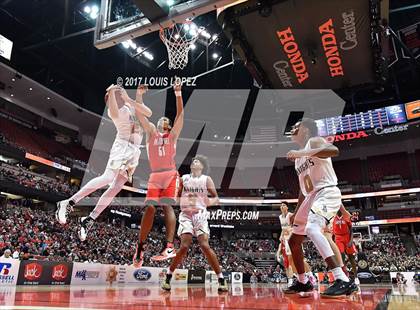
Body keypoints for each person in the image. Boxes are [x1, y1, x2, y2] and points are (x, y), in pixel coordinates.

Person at [56, 85, 152, 241]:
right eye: (114, 96)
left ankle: (89, 219)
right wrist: (112, 91)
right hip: (122, 146)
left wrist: (137, 95)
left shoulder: (129, 105)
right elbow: (114, 103)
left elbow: (147, 112)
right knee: (108, 177)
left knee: (116, 188)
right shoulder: (114, 112)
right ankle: (69, 202)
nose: (118, 96)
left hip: (134, 152)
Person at [285, 118, 358, 298]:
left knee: (312, 228)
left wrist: (303, 152)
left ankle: (342, 279)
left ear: (307, 131)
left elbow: (334, 150)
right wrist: (297, 210)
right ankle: (303, 282)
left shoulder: (314, 141)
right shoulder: (297, 160)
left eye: (297, 126)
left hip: (326, 192)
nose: (293, 128)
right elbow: (304, 189)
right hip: (310, 197)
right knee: (293, 242)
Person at [133, 80, 184, 266]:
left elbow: (180, 115)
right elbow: (140, 115)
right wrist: (139, 95)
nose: (162, 120)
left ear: (169, 126)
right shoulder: (151, 132)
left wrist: (178, 93)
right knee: (150, 208)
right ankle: (140, 246)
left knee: (167, 206)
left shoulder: (173, 136)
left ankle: (169, 246)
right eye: (160, 119)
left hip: (170, 174)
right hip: (155, 175)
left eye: (165, 120)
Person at [161, 155, 228, 292]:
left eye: (197, 161)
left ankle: (221, 279)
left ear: (202, 166)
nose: (194, 162)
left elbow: (216, 198)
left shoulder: (206, 180)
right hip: (186, 215)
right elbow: (177, 196)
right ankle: (168, 276)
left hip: (200, 215)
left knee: (204, 245)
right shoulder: (184, 178)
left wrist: (208, 202)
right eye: (193, 161)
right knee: (184, 246)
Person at [276, 202, 315, 287]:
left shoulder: (291, 215)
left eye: (284, 205)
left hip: (293, 238)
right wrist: (281, 236)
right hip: (286, 240)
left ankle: (311, 275)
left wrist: (289, 230)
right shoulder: (280, 217)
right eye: (281, 205)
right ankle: (299, 277)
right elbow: (283, 228)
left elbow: (295, 226)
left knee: (300, 258)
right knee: (290, 261)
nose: (282, 206)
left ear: (287, 207)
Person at [332, 207, 358, 281]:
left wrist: (350, 241)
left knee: (351, 258)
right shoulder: (333, 217)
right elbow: (333, 232)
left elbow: (351, 230)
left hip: (347, 237)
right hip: (338, 237)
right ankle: (344, 274)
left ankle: (356, 277)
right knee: (341, 255)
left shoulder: (346, 216)